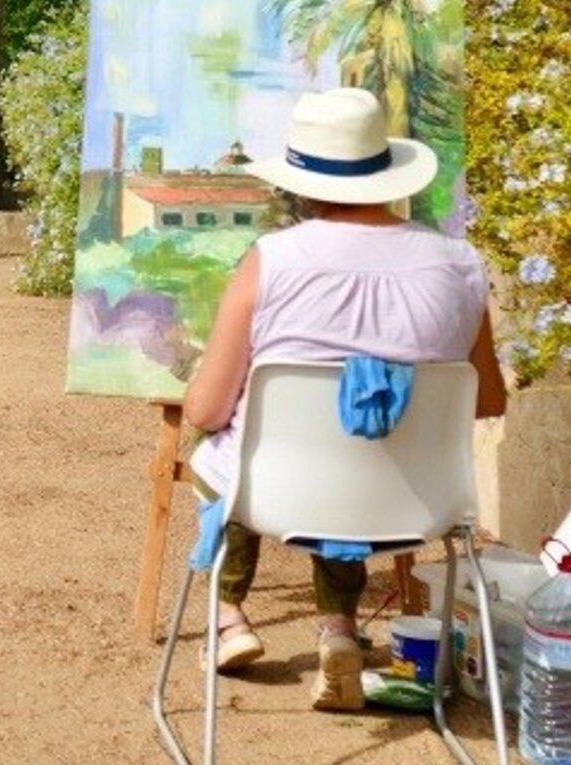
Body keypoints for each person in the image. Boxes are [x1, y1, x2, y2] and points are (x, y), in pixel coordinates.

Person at [180, 87, 507, 713]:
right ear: (384, 174)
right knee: (359, 439)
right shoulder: (461, 264)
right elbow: (487, 399)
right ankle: (338, 628)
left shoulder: (270, 261)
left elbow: (204, 411)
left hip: (279, 498)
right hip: (415, 503)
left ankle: (228, 617)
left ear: (302, 185)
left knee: (225, 448)